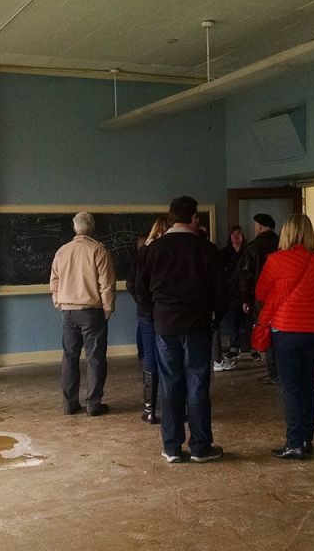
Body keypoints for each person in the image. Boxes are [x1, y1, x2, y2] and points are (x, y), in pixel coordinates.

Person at [136, 196, 226, 463]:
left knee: (169, 384)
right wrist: (214, 320)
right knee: (197, 385)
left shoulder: (153, 249)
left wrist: (155, 316)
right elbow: (222, 293)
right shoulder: (206, 250)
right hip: (198, 325)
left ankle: (172, 447)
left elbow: (140, 291)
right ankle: (200, 446)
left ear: (171, 216)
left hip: (165, 325)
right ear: (193, 217)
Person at [255, 214, 314, 459]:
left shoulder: (275, 260)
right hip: (313, 329)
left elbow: (261, 292)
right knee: (309, 385)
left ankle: (294, 441)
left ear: (286, 233)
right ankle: (307, 437)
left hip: (285, 329)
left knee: (291, 388)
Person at [50, 212, 116, 416]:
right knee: (95, 357)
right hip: (91, 311)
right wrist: (107, 309)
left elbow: (54, 281)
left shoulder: (62, 251)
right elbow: (107, 285)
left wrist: (59, 302)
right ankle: (93, 404)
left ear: (74, 227)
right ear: (92, 227)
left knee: (69, 358)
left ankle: (69, 404)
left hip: (68, 311)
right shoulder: (98, 250)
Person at [126, 215, 169, 423]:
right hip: (169, 314)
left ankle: (150, 410)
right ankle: (174, 407)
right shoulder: (171, 252)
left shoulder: (144, 252)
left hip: (148, 315)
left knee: (150, 358)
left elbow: (132, 285)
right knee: (172, 359)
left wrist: (144, 304)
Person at [237, 213, 280, 381]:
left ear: (261, 227)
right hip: (281, 296)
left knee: (266, 331)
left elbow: (245, 275)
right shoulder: (282, 244)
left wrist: (245, 299)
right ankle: (281, 369)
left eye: (256, 226)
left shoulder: (253, 247)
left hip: (261, 297)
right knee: (280, 330)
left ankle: (273, 372)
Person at [216, 225, 247, 371]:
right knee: (232, 319)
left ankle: (249, 347)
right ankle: (234, 346)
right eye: (233, 233)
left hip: (246, 290)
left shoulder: (248, 251)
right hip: (230, 292)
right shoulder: (224, 253)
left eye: (238, 233)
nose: (236, 236)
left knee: (247, 320)